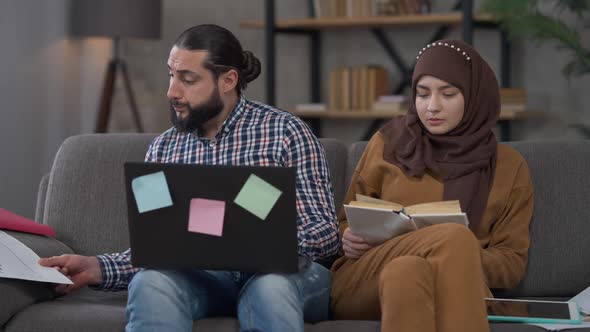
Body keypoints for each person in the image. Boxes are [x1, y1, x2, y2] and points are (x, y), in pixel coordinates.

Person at [39, 24, 340, 332]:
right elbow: (155, 247)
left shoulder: (286, 133)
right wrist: (96, 267)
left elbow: (326, 232)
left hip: (284, 276)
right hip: (208, 279)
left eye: (188, 79)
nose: (172, 91)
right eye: (172, 75)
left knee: (270, 288)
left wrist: (268, 245)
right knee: (151, 280)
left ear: (228, 80)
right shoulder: (162, 149)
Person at [330, 39, 534, 332]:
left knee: (409, 272)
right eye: (422, 94)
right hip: (363, 279)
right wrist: (348, 236)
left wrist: (444, 256)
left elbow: (512, 264)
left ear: (476, 95)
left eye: (448, 94)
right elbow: (344, 222)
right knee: (454, 237)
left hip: (423, 279)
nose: (432, 107)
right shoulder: (388, 143)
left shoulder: (510, 167)